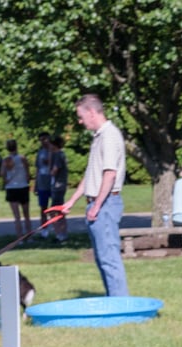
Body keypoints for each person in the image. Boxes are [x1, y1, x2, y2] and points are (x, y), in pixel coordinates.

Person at [60, 94, 128, 296]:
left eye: (80, 116)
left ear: (91, 112)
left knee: (109, 258)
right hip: (97, 203)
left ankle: (120, 306)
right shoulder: (99, 136)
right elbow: (92, 175)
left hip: (106, 204)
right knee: (101, 258)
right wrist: (72, 201)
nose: (80, 121)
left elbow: (109, 174)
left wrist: (97, 206)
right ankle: (113, 300)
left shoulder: (109, 136)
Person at [0, 139, 32, 237]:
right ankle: (29, 236)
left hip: (11, 187)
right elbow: (27, 173)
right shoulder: (22, 158)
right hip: (22, 186)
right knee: (26, 214)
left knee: (17, 216)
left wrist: (7, 180)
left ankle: (20, 237)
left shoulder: (6, 160)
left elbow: (2, 173)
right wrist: (26, 180)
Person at [47, 134, 69, 242]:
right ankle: (61, 234)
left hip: (58, 186)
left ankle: (60, 234)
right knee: (58, 211)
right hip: (58, 186)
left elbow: (54, 170)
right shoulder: (59, 154)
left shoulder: (58, 155)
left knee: (54, 211)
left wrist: (50, 171)